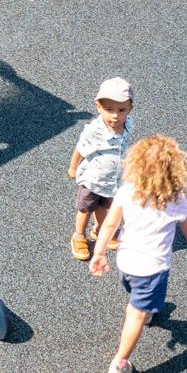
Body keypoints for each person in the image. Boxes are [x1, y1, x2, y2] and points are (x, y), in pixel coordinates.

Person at [88, 134, 187, 373]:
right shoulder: (175, 200)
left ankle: (144, 308)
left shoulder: (127, 191)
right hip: (152, 269)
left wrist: (99, 253)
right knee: (135, 315)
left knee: (135, 297)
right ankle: (120, 363)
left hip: (126, 262)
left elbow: (110, 224)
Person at [66, 77, 133, 261]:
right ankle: (79, 236)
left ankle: (101, 230)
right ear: (98, 107)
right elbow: (80, 147)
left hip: (113, 179)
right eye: (109, 109)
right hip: (93, 179)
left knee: (106, 207)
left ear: (130, 109)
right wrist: (73, 167)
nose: (115, 116)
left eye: (122, 110)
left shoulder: (128, 125)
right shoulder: (95, 130)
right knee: (86, 208)